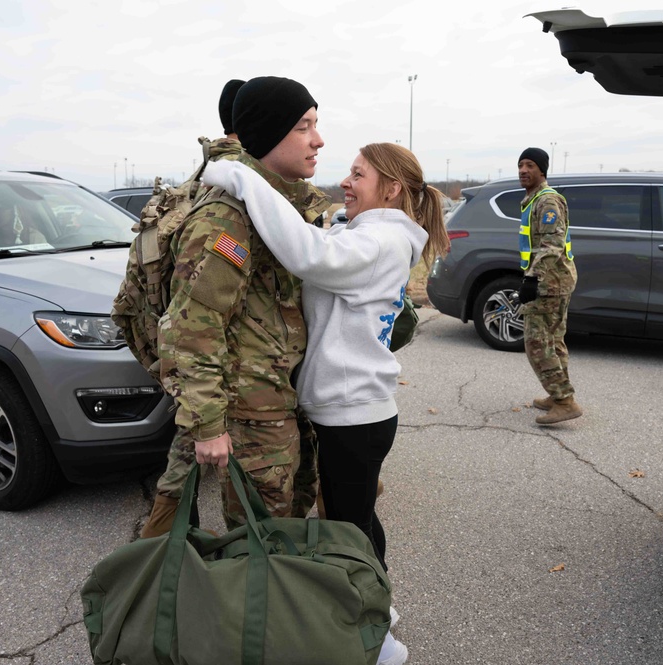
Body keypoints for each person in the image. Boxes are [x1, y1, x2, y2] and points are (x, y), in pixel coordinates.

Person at [203, 141, 450, 665]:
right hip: (360, 411)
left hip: (355, 414)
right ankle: (381, 602)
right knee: (358, 520)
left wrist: (245, 180)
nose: (346, 181)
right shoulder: (375, 235)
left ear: (391, 188)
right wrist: (340, 218)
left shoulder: (380, 242)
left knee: (347, 533)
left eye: (358, 175)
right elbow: (327, 241)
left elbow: (308, 254)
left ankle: (379, 642)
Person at [150, 76, 331, 538]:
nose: (318, 139)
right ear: (270, 135)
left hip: (285, 398)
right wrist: (208, 426)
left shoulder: (280, 206)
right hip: (253, 411)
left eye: (316, 124)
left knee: (291, 515)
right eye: (303, 127)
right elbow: (192, 327)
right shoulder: (229, 218)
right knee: (261, 536)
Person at [141, 78, 248, 538]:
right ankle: (160, 569)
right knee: (202, 449)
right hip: (224, 364)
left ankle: (163, 556)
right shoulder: (232, 193)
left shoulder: (203, 178)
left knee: (186, 452)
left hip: (195, 360)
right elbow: (196, 321)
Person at [514, 147, 583, 425]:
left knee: (536, 343)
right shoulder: (533, 199)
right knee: (553, 341)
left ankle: (565, 401)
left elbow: (551, 245)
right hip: (555, 279)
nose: (523, 170)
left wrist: (532, 278)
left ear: (542, 170)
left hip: (549, 282)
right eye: (520, 165)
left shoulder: (548, 201)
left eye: (530, 165)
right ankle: (558, 396)